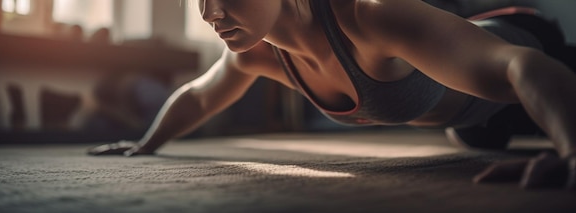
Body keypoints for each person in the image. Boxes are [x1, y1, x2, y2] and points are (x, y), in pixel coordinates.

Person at [88, 0, 576, 189]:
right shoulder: (254, 54)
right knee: (482, 141)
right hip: (478, 127)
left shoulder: (369, 17)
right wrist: (144, 147)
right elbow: (199, 96)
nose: (210, 12)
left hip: (533, 54)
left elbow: (521, 66)